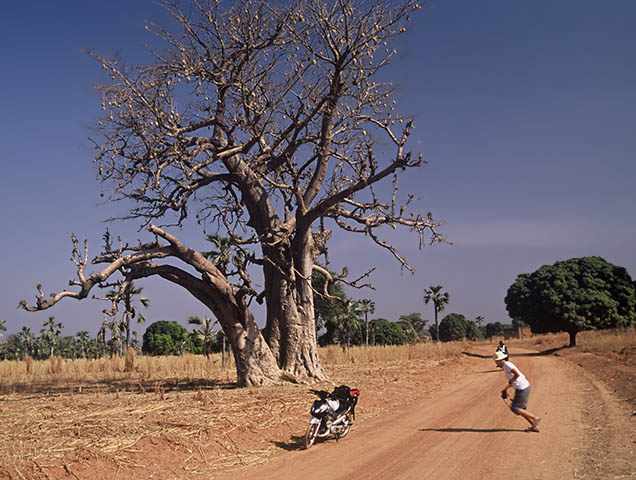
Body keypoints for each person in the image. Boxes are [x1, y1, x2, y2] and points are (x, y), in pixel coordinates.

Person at [493, 350, 541, 432]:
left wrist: (510, 382)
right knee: (521, 409)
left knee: (515, 408)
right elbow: (512, 380)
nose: (495, 363)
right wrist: (505, 389)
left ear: (499, 360)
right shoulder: (506, 366)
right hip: (522, 387)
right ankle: (534, 426)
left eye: (495, 361)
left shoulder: (507, 365)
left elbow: (517, 374)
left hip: (522, 388)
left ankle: (535, 418)